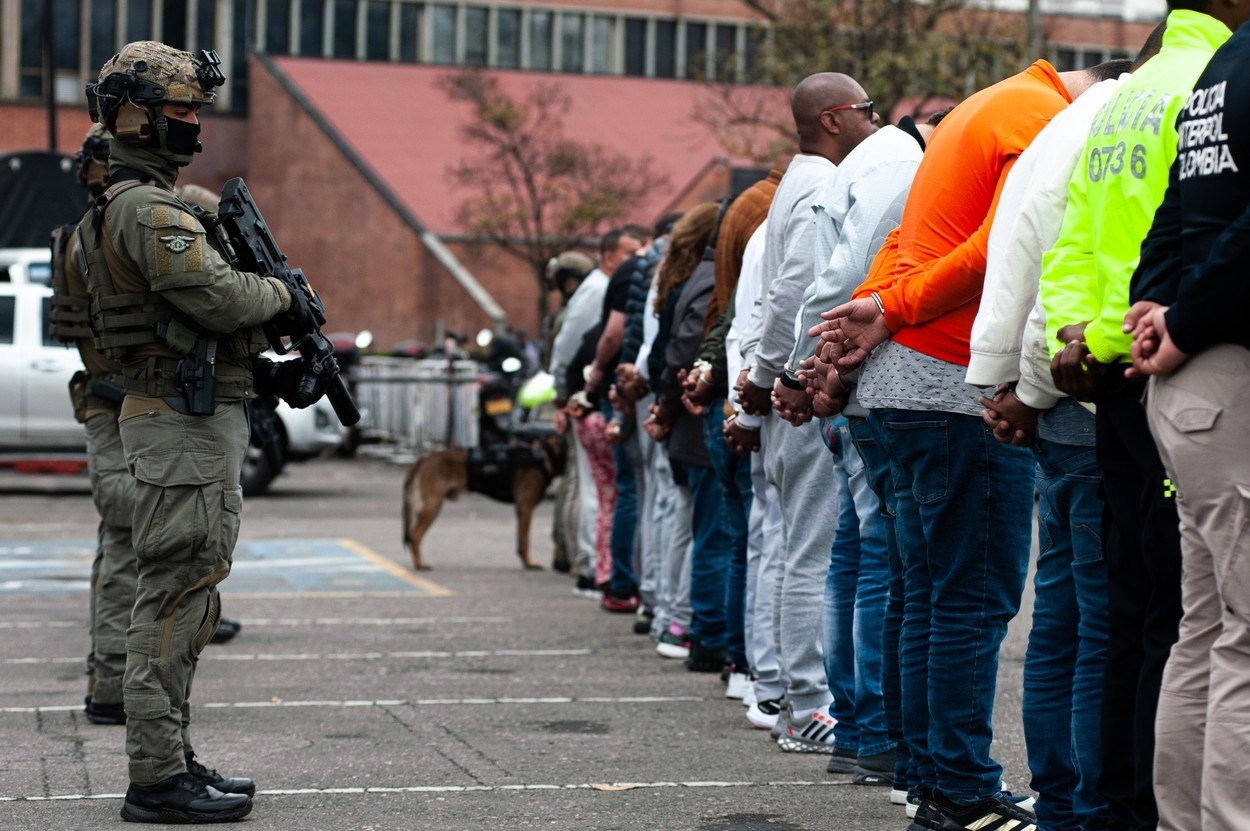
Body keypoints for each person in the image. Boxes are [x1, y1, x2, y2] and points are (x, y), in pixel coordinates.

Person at [820, 58, 1109, 831]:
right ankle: (960, 787)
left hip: (904, 380)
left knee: (924, 592)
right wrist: (889, 306)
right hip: (949, 378)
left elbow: (909, 238)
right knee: (969, 600)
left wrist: (875, 309)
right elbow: (1002, 246)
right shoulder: (1037, 118)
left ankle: (926, 773)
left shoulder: (986, 105)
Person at [81, 40, 328, 823]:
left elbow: (195, 325)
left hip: (189, 422)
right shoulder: (145, 210)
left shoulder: (145, 205)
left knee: (191, 595)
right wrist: (281, 295)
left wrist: (267, 368)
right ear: (134, 117)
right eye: (179, 111)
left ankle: (171, 755)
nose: (192, 125)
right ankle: (155, 777)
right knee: (174, 593)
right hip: (177, 431)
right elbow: (217, 298)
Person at [1037, 4, 1245, 826]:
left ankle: (1127, 805)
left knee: (1159, 616)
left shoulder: (1141, 91)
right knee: (1198, 622)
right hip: (1185, 354)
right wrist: (1164, 326)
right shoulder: (1207, 75)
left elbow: (1085, 234)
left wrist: (1086, 330)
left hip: (1131, 369)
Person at [967, 51, 1142, 831]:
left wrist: (1005, 382)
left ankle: (1063, 798)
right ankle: (1089, 806)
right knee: (1104, 622)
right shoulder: (1120, 125)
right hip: (1085, 394)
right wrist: (1029, 386)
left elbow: (1024, 256)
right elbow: (1061, 270)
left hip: (1050, 397)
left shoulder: (1068, 125)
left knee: (1065, 617)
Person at [1124, 22, 1250, 828]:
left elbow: (1172, 216)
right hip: (1229, 364)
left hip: (1190, 381)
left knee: (1206, 627)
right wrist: (1186, 320)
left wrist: (1157, 308)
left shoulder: (1223, 64)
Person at [50, 124, 137, 727]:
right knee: (130, 544)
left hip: (114, 405)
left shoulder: (81, 232)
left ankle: (110, 678)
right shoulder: (110, 233)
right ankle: (112, 684)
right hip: (127, 406)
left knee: (118, 546)